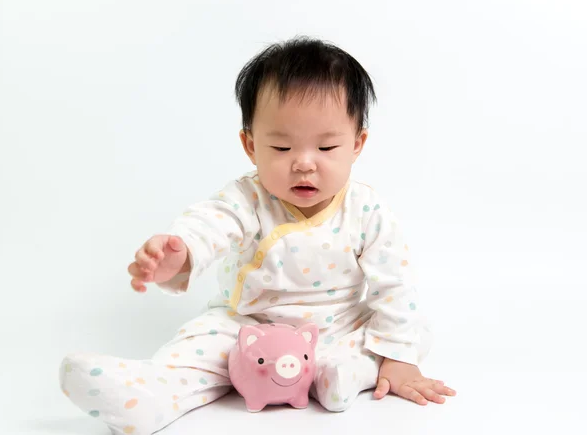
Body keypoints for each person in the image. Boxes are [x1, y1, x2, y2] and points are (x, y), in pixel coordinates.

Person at [60, 36, 456, 435]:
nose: (304, 163)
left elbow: (395, 287)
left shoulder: (368, 211)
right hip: (246, 327)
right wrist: (180, 255)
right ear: (250, 146)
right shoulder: (247, 199)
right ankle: (151, 395)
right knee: (201, 342)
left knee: (410, 329)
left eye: (327, 146)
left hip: (334, 329)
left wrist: (399, 356)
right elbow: (210, 223)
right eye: (281, 147)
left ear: (357, 144)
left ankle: (347, 373)